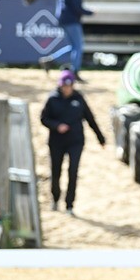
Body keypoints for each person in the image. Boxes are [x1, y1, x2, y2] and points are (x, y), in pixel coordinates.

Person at [40, 69, 106, 215]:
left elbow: (90, 119)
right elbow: (44, 119)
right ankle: (55, 198)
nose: (67, 88)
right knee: (56, 171)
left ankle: (70, 205)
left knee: (73, 171)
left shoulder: (79, 99)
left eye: (69, 86)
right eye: (64, 86)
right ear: (60, 85)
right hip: (56, 141)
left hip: (75, 141)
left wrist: (101, 138)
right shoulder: (52, 99)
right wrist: (57, 126)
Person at [55, 0, 93, 79]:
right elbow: (77, 8)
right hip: (71, 21)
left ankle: (50, 60)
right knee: (78, 47)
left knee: (73, 47)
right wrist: (90, 12)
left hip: (64, 20)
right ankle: (75, 71)